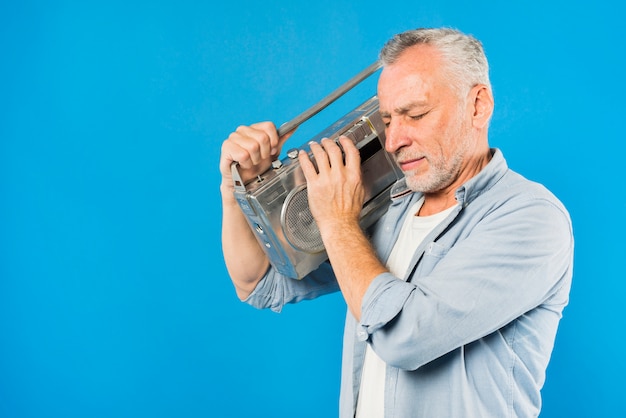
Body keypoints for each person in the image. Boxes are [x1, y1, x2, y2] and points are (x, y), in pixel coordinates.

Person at [219, 27, 573, 418]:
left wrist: (337, 221)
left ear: (478, 106)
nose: (393, 141)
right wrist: (236, 187)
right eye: (388, 119)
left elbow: (405, 337)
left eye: (415, 114)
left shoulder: (530, 218)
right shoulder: (391, 203)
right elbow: (258, 282)